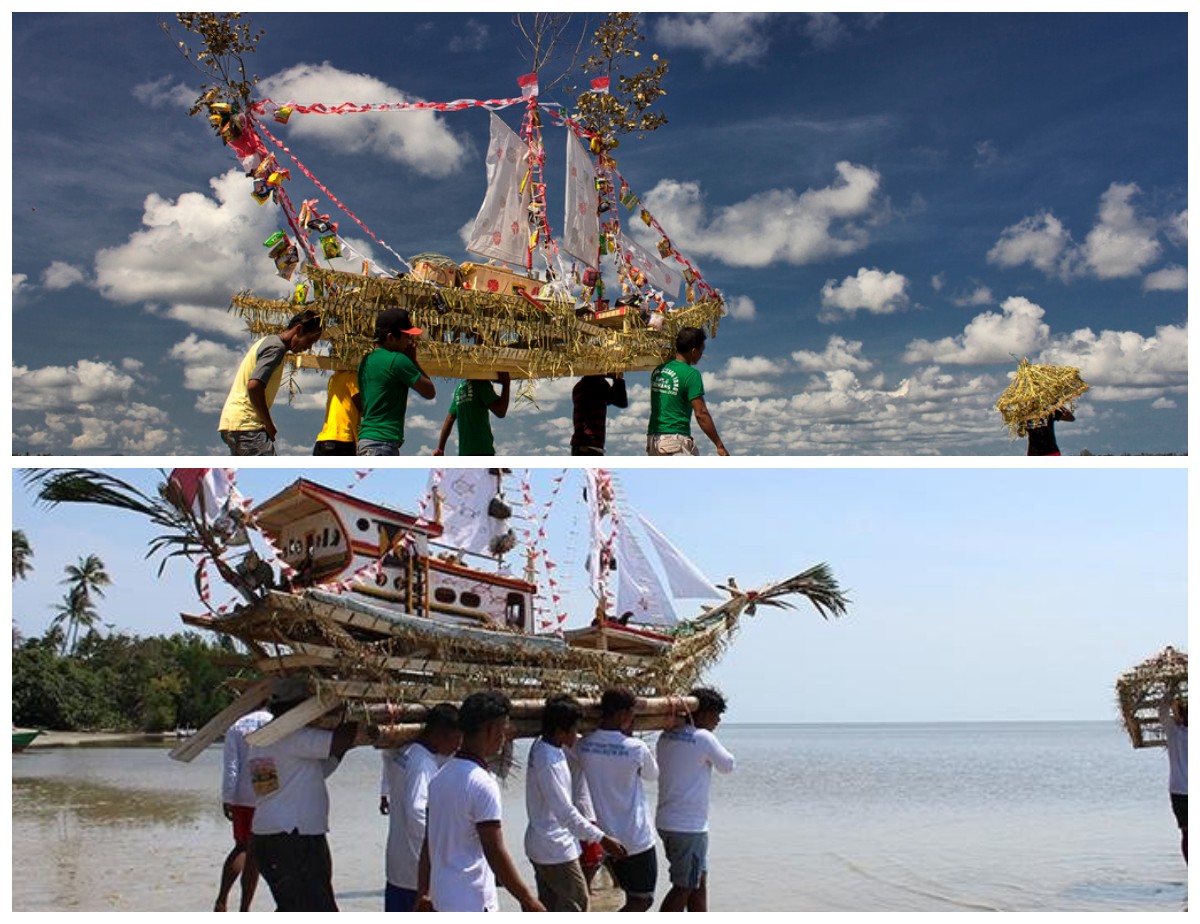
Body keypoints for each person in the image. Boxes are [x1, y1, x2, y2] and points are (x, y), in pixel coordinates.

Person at [418, 691, 545, 912]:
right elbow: (494, 850)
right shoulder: (483, 784)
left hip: (442, 898)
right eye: (503, 730)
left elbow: (427, 845)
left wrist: (423, 893)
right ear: (491, 730)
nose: (504, 738)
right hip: (472, 900)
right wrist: (527, 899)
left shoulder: (439, 777)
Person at [248, 677, 361, 911]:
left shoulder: (261, 740)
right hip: (293, 839)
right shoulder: (291, 735)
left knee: (293, 906)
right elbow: (340, 741)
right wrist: (355, 710)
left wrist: (340, 750)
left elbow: (314, 772)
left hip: (270, 836)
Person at [524, 694, 627, 911]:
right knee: (579, 906)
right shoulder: (548, 761)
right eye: (573, 729)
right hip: (554, 847)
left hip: (543, 844)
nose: (577, 734)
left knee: (550, 907)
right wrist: (603, 839)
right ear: (560, 730)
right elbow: (565, 813)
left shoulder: (544, 746)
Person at [576, 687, 659, 912]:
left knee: (630, 897)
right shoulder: (636, 748)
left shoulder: (584, 745)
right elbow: (653, 775)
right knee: (642, 900)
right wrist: (629, 739)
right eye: (632, 713)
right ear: (623, 714)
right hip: (637, 837)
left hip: (607, 838)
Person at [655, 687, 736, 912]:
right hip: (688, 827)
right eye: (716, 714)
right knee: (684, 887)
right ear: (699, 713)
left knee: (698, 883)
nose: (718, 720)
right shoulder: (702, 737)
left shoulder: (666, 735)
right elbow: (728, 765)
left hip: (668, 822)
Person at [379, 702, 462, 912]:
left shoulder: (403, 751)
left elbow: (386, 756)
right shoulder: (423, 764)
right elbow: (417, 812)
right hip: (415, 871)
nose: (457, 745)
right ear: (441, 734)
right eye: (456, 738)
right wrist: (441, 849)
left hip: (398, 866)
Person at [218, 309, 323, 455]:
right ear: (298, 330)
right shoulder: (276, 348)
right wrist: (268, 423)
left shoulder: (267, 342)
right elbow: (254, 385)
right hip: (247, 424)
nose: (309, 347)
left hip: (234, 422)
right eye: (310, 341)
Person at [214, 706, 273, 912]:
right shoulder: (274, 722)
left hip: (242, 795)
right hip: (264, 791)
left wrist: (228, 797)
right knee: (255, 853)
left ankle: (221, 900)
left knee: (241, 847)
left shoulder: (237, 726)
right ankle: (245, 909)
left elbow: (231, 767)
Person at [356, 307, 436, 455]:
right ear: (391, 337)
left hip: (366, 439)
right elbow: (429, 391)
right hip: (383, 442)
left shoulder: (365, 361)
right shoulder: (398, 361)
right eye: (406, 336)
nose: (409, 341)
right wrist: (414, 361)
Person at [646, 327, 728, 457]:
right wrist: (719, 445)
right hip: (674, 441)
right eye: (701, 350)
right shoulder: (691, 375)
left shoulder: (658, 371)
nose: (702, 355)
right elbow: (701, 413)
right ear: (694, 351)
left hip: (653, 441)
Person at [433, 373, 511, 456]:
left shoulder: (460, 388)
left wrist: (440, 449)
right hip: (483, 451)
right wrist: (506, 384)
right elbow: (500, 411)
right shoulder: (481, 383)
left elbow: (450, 419)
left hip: (464, 453)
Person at [571, 373, 628, 455]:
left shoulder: (579, 386)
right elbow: (621, 402)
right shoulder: (598, 384)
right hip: (590, 447)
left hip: (582, 446)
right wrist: (617, 378)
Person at [1160, 695, 1187, 863]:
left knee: (1187, 833)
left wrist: (1168, 693)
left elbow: (1162, 711)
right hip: (1181, 791)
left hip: (1178, 791)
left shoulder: (1173, 733)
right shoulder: (1174, 732)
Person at [313, 369, 362, 456]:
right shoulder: (352, 377)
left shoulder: (334, 378)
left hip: (324, 441)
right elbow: (363, 407)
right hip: (343, 442)